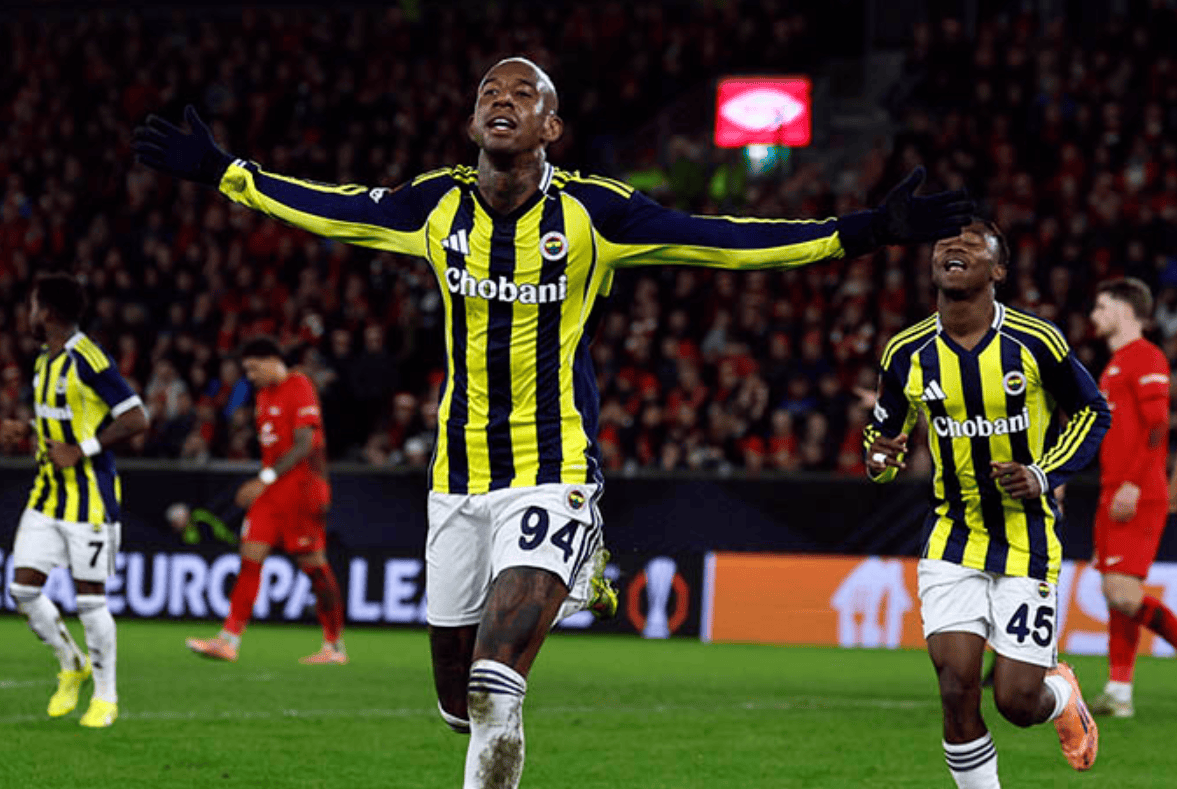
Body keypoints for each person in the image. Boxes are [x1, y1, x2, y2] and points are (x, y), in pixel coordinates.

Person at [134, 56, 973, 789]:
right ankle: (571, 581)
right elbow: (331, 206)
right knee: (456, 701)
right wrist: (225, 172)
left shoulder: (596, 214)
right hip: (457, 480)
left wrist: (866, 231)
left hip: (551, 469)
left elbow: (725, 239)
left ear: (552, 127)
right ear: (472, 121)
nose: (503, 99)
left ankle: (573, 550)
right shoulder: (435, 206)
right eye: (489, 92)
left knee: (494, 684)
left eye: (523, 93)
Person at [865, 219, 1111, 785]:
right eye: (944, 242)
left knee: (1017, 702)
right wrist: (878, 458)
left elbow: (1092, 411)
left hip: (1027, 539)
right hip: (952, 536)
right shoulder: (905, 352)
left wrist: (1043, 473)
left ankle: (1061, 695)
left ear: (998, 270)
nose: (954, 246)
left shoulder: (1036, 341)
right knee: (956, 687)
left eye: (972, 244)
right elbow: (881, 441)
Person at [0, 273, 148, 729]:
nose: (27, 315)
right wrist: (28, 431)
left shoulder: (89, 358)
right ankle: (72, 662)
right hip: (47, 494)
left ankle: (106, 696)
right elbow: (65, 421)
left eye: (32, 306)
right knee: (23, 590)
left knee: (90, 601)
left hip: (91, 500)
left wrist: (81, 450)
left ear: (46, 313)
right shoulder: (45, 362)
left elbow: (136, 417)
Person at [186, 337, 347, 664]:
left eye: (254, 368)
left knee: (314, 567)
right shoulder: (262, 395)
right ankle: (228, 640)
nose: (250, 376)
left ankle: (334, 645)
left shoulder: (299, 384)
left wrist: (264, 478)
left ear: (273, 360)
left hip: (303, 491)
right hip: (272, 493)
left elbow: (304, 444)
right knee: (249, 558)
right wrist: (266, 480)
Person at [1086, 277, 1177, 718]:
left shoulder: (1145, 357)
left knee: (1123, 594)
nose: (1094, 316)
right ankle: (1119, 691)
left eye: (1101, 307)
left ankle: (1120, 689)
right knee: (1113, 593)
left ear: (1123, 310)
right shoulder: (1116, 363)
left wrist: (1135, 484)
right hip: (1113, 492)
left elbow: (1158, 425)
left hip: (1136, 493)